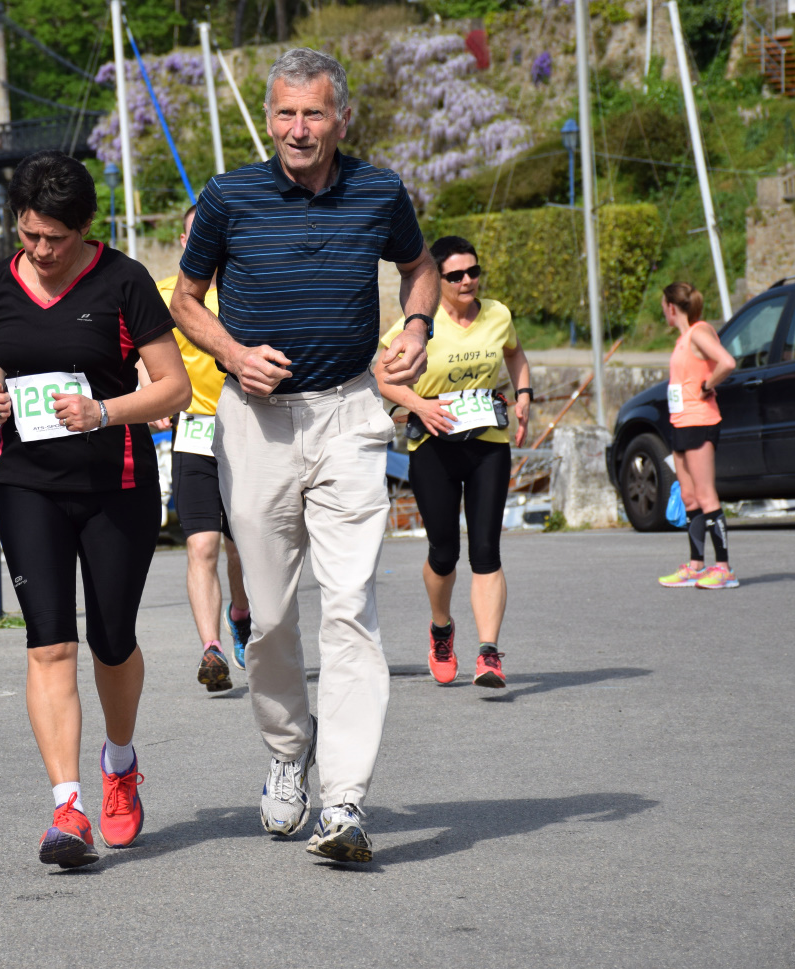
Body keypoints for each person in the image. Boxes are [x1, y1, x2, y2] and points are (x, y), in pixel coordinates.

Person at [169, 48, 438, 864]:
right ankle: (289, 751)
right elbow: (184, 299)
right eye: (285, 113)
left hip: (350, 413)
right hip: (255, 421)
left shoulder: (380, 191)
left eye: (313, 113)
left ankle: (345, 800)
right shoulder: (229, 196)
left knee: (351, 605)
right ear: (269, 119)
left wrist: (417, 327)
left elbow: (419, 268)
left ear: (340, 119)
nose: (298, 129)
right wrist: (230, 352)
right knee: (272, 616)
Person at [0, 150, 191, 869]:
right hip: (25, 481)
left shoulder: (124, 281)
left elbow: (175, 387)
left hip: (114, 483)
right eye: (29, 234)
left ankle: (119, 764)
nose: (41, 250)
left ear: (86, 228)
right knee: (49, 643)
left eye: (55, 239)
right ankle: (68, 808)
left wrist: (104, 411)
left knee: (112, 641)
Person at [376, 236, 533, 690]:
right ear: (438, 279)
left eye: (473, 272)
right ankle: (441, 629)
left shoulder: (497, 314)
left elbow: (514, 353)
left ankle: (488, 653)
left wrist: (523, 393)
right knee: (444, 553)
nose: (468, 281)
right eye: (456, 275)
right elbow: (382, 376)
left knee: (486, 551)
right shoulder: (417, 327)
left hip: (488, 443)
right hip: (433, 446)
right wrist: (419, 406)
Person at [156, 204, 251, 693]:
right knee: (201, 544)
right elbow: (140, 353)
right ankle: (211, 648)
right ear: (183, 241)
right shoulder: (164, 296)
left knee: (241, 547)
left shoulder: (245, 288)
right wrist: (149, 392)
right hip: (193, 432)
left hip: (245, 430)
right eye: (196, 234)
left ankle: (241, 614)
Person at [656, 281, 739, 589]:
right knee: (689, 497)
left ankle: (724, 569)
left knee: (705, 495)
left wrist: (707, 385)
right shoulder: (683, 339)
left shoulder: (698, 331)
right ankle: (695, 566)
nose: (663, 311)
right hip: (680, 422)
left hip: (700, 422)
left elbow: (727, 362)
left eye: (663, 306)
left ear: (671, 307)